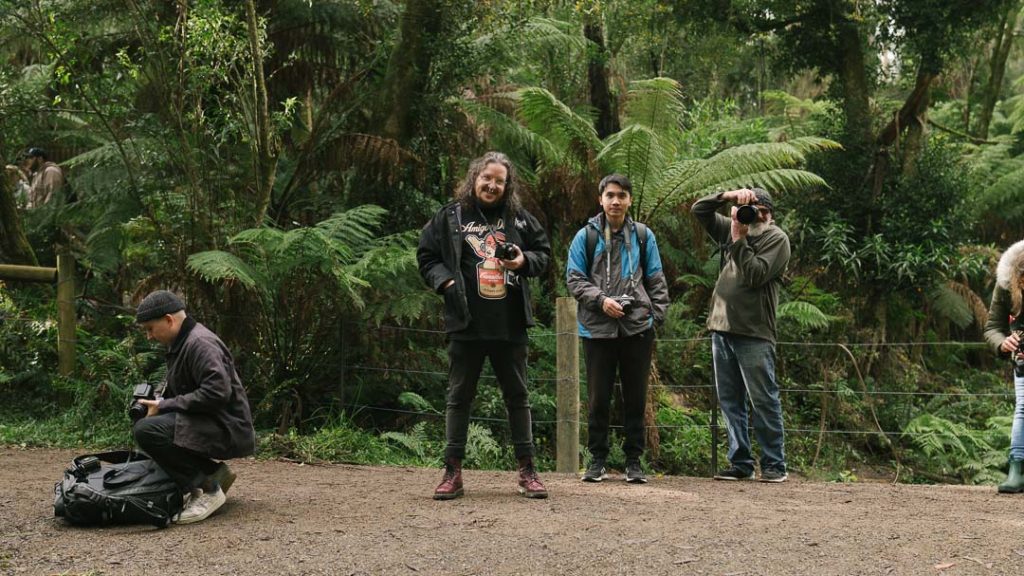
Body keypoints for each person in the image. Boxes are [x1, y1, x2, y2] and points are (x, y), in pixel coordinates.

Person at [417, 151, 552, 500]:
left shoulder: (519, 219)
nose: (492, 185)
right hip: (466, 323)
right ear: (474, 177)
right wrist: (445, 284)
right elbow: (426, 256)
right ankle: (452, 471)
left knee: (518, 397)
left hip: (510, 325)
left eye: (499, 181)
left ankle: (527, 471)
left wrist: (523, 261)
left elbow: (544, 254)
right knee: (459, 398)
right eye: (486, 178)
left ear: (508, 186)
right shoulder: (451, 216)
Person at [566, 174, 669, 483]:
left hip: (636, 327)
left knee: (635, 398)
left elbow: (655, 277)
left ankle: (633, 461)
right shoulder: (586, 237)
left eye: (621, 195)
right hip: (597, 328)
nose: (615, 201)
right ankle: (597, 460)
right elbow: (574, 278)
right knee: (598, 398)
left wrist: (656, 317)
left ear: (629, 200)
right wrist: (601, 301)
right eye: (610, 195)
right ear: (600, 199)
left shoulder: (642, 235)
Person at [691, 187, 790, 483]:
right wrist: (727, 197)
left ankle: (774, 464)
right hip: (721, 329)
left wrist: (739, 239)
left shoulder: (776, 239)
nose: (748, 214)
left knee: (763, 400)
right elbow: (699, 210)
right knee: (730, 401)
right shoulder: (732, 226)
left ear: (767, 213)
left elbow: (756, 274)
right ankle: (740, 462)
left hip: (754, 332)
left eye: (755, 208)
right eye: (746, 207)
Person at [132, 290, 256, 523]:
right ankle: (213, 473)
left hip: (227, 427)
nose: (148, 336)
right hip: (210, 420)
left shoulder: (200, 343)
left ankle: (207, 490)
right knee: (147, 423)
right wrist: (157, 399)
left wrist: (166, 405)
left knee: (147, 430)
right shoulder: (181, 343)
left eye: (150, 328)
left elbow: (216, 393)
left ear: (169, 320)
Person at [983, 239, 1024, 494]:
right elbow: (992, 328)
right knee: (1023, 407)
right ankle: (1016, 470)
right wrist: (1003, 343)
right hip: (1022, 357)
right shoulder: (1005, 286)